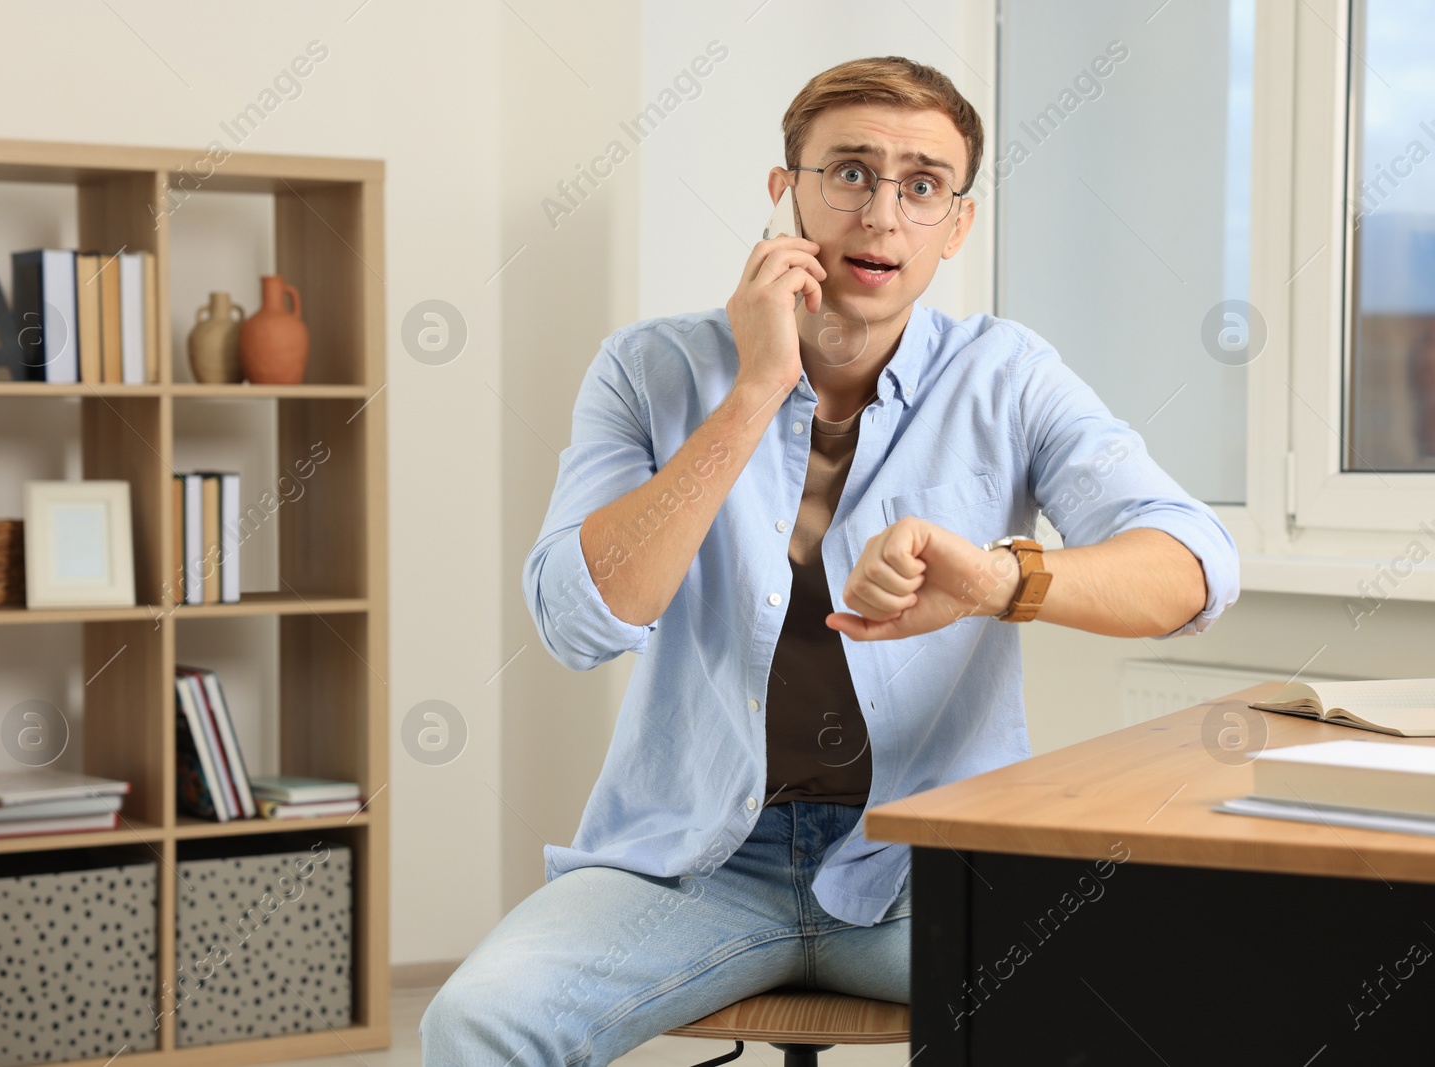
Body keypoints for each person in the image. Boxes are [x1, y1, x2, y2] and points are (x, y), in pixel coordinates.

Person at [421, 54, 1238, 1066]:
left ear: (956, 225)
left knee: (1162, 1007)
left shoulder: (1007, 374)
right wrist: (756, 389)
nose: (881, 214)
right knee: (475, 1021)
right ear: (784, 193)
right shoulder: (650, 368)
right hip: (691, 864)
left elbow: (1195, 566)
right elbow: (578, 619)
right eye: (848, 172)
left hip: (930, 865)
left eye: (922, 185)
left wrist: (995, 579)